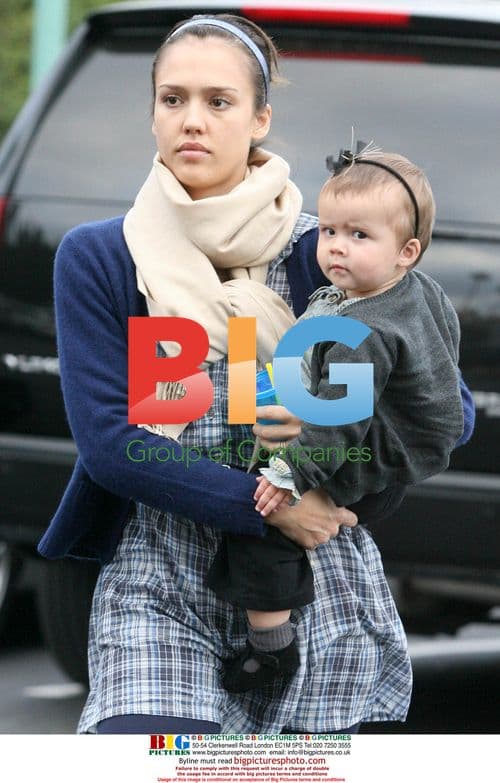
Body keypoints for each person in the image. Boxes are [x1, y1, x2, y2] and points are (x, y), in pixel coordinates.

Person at [37, 14, 474, 735]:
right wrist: (269, 504)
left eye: (219, 101)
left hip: (310, 581)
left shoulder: (327, 255)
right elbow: (113, 442)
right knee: (151, 758)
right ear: (151, 113)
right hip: (161, 580)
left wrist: (344, 499)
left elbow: (440, 411)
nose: (192, 122)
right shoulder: (102, 257)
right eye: (172, 99)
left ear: (260, 117)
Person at [207, 147, 465, 693]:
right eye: (328, 231)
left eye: (359, 236)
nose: (336, 248)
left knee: (260, 522)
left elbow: (337, 426)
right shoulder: (421, 291)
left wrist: (287, 479)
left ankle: (271, 649)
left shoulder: (360, 332)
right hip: (408, 449)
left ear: (407, 251)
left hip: (370, 451)